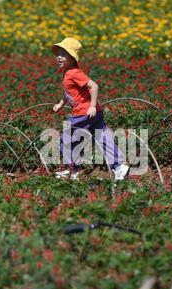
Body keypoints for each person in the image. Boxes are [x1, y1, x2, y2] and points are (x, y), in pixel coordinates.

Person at [51, 37, 129, 181]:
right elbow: (69, 91)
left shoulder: (74, 72)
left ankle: (72, 170)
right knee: (103, 137)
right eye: (59, 54)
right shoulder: (67, 72)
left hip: (84, 113)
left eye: (63, 54)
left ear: (73, 58)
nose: (59, 57)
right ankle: (119, 166)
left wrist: (92, 106)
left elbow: (94, 86)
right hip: (95, 113)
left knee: (66, 140)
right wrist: (61, 103)